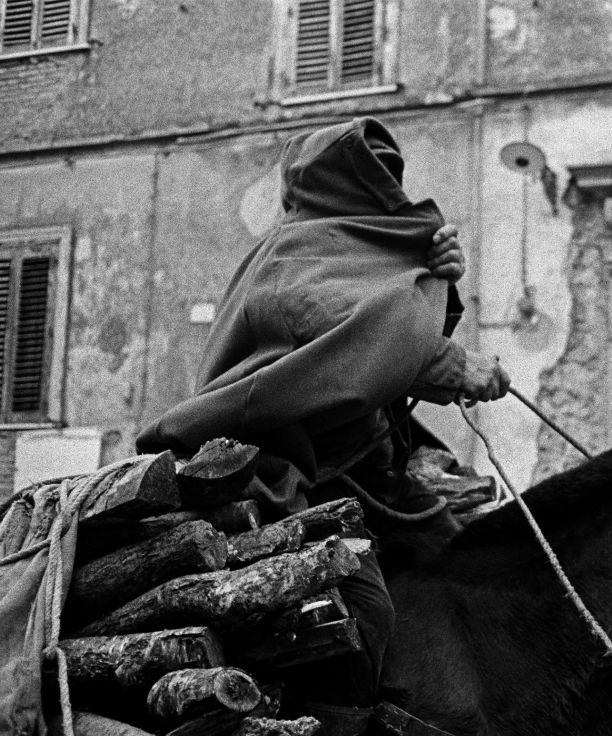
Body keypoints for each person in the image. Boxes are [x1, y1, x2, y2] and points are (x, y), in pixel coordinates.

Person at [136, 116, 510, 730]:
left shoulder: (363, 248)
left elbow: (383, 344)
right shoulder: (294, 254)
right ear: (337, 178)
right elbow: (349, 347)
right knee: (363, 607)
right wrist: (451, 364)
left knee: (468, 563)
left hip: (365, 473)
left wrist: (439, 283)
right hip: (285, 479)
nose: (389, 185)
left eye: (393, 171)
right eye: (373, 170)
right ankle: (340, 725)